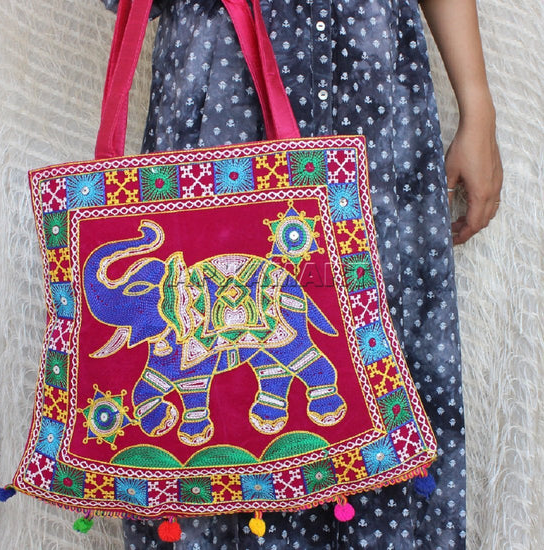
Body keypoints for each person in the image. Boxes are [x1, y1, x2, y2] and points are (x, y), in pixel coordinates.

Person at [102, 0, 502, 548]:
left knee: (378, 364)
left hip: (372, 94)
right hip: (223, 87)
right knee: (207, 405)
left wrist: (477, 104)